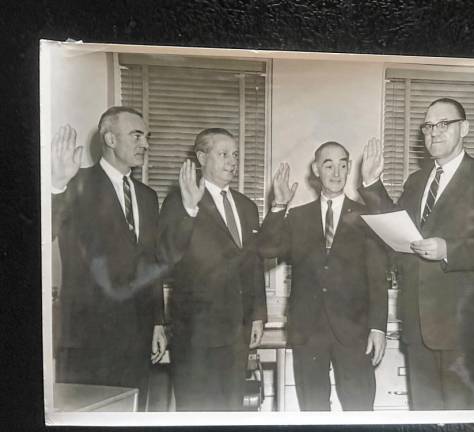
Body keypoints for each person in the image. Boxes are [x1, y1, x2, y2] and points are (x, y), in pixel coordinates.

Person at [359, 98, 474, 410]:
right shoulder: (416, 180)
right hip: (417, 325)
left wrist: (450, 250)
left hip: (463, 330)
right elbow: (398, 228)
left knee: (463, 419)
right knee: (425, 417)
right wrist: (372, 183)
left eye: (442, 124)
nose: (433, 132)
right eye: (427, 126)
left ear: (464, 128)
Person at [257, 142, 389, 411]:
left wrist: (378, 327)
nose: (336, 172)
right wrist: (278, 206)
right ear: (316, 170)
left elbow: (377, 276)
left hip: (354, 332)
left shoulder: (366, 217)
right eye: (328, 164)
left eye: (343, 164)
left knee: (360, 410)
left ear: (349, 167)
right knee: (313, 411)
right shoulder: (296, 217)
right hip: (308, 332)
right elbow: (267, 249)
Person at [51, 107, 167, 411]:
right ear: (110, 139)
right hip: (89, 337)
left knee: (133, 413)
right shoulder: (77, 182)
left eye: (147, 137)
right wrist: (56, 185)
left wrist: (157, 322)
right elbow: (43, 229)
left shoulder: (147, 196)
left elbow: (151, 262)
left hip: (137, 335)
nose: (145, 144)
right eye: (137, 135)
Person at [158, 128, 267, 411]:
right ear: (201, 157)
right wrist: (189, 211)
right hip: (196, 333)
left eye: (235, 155)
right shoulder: (179, 200)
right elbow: (167, 255)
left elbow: (253, 263)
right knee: (196, 411)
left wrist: (257, 316)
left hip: (236, 333)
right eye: (223, 154)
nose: (232, 161)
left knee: (231, 410)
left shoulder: (247, 206)